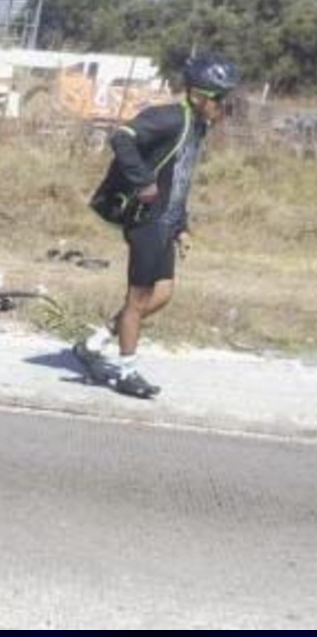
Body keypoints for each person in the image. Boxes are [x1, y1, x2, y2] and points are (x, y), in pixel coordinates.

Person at [76, 54, 240, 399]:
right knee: (137, 300)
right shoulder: (167, 118)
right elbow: (121, 137)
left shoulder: (198, 126)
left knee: (162, 295)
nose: (225, 107)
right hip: (146, 221)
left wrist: (182, 225)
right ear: (197, 94)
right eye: (220, 99)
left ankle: (96, 342)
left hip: (166, 222)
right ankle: (125, 372)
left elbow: (180, 180)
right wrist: (142, 180)